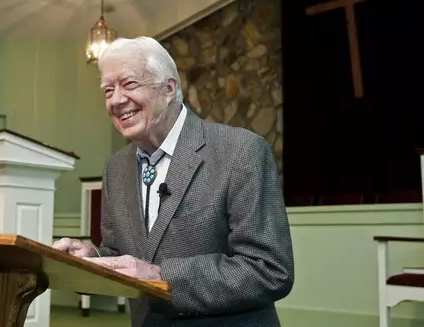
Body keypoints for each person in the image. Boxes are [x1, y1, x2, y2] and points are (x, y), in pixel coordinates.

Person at [52, 36, 294, 326]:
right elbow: (122, 255)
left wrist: (160, 277)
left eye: (129, 84)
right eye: (107, 90)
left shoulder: (241, 151)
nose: (116, 100)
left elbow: (269, 270)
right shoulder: (115, 168)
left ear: (169, 88)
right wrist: (92, 259)